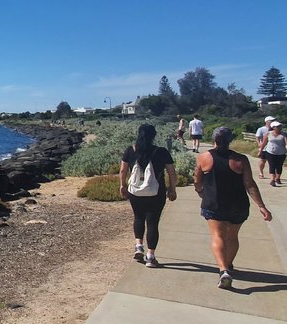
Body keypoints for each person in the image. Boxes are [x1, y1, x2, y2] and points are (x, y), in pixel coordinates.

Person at [194, 127, 272, 289]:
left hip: (214, 203)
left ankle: (223, 270)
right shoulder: (240, 160)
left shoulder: (204, 157)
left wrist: (201, 191)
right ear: (230, 141)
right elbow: (249, 184)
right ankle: (229, 264)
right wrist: (262, 206)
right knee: (232, 236)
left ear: (214, 139)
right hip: (238, 204)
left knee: (218, 236)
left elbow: (197, 180)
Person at [119, 124, 178, 268]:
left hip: (135, 192)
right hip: (156, 192)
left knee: (138, 217)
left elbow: (122, 170)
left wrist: (122, 185)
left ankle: (139, 246)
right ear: (154, 135)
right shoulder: (161, 151)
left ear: (139, 134)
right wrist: (172, 189)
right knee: (152, 222)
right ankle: (150, 257)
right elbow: (171, 172)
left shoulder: (130, 150)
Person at [259, 120, 286, 187]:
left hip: (281, 153)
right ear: (273, 127)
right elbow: (264, 143)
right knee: (272, 165)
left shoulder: (284, 134)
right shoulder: (269, 133)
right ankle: (272, 180)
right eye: (277, 126)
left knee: (279, 166)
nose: (279, 127)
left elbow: (286, 143)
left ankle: (278, 178)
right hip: (270, 152)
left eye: (280, 126)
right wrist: (260, 151)